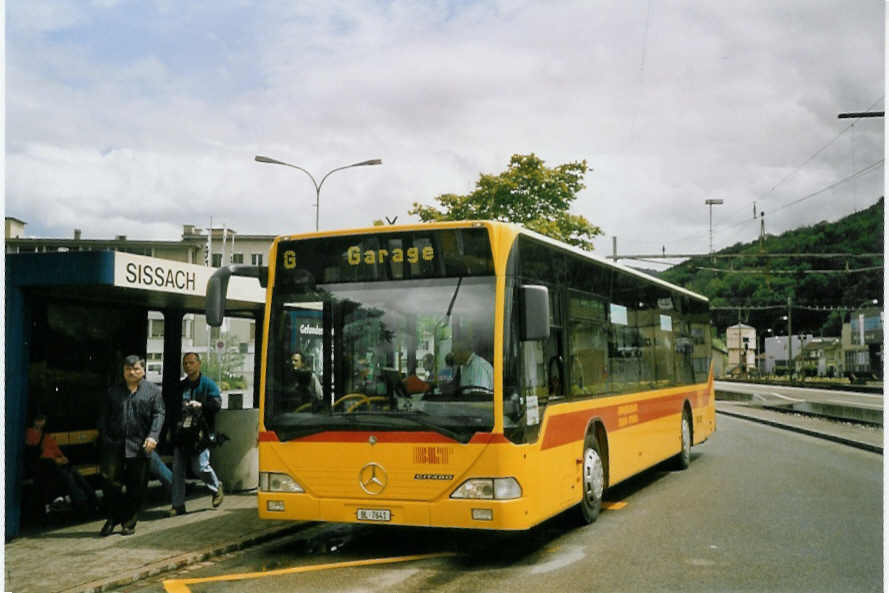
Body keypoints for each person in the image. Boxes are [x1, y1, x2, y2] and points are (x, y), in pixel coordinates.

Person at [97, 354, 165, 536]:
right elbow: (103, 417)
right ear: (123, 371)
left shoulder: (153, 392)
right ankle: (113, 518)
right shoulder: (113, 392)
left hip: (140, 444)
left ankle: (129, 522)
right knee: (110, 483)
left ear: (143, 370)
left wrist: (153, 436)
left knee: (137, 485)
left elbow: (159, 414)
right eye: (128, 369)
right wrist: (105, 437)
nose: (132, 372)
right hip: (115, 444)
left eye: (136, 369)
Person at [169, 352, 224, 516]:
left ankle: (216, 487)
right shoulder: (181, 386)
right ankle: (178, 505)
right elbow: (173, 409)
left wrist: (201, 405)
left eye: (191, 362)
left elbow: (217, 405)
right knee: (178, 469)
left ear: (199, 364)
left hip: (201, 433)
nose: (188, 366)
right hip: (182, 433)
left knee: (200, 466)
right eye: (185, 363)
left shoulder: (208, 384)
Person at [25, 413, 99, 519]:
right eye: (38, 420)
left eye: (42, 420)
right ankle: (83, 506)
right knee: (68, 476)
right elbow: (40, 455)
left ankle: (93, 500)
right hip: (44, 466)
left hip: (55, 464)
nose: (40, 422)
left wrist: (62, 458)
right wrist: (57, 460)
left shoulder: (45, 436)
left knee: (74, 472)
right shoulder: (29, 434)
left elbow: (56, 451)